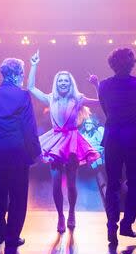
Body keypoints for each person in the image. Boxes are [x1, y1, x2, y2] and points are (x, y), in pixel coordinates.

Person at [27, 51, 100, 232]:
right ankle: (60, 215)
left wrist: (97, 84)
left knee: (72, 183)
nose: (63, 83)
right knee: (56, 182)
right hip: (55, 141)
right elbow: (31, 88)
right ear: (56, 83)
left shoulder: (78, 98)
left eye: (66, 81)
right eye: (60, 81)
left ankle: (72, 212)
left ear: (71, 83)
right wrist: (34, 65)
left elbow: (101, 102)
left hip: (72, 142)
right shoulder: (50, 97)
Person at [0, 58, 41, 254]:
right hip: (17, 151)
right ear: (18, 73)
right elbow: (29, 127)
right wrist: (35, 152)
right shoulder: (23, 95)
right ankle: (12, 236)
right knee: (18, 196)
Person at [98, 48, 136, 245]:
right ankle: (127, 224)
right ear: (132, 63)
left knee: (112, 182)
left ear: (112, 64)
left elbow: (105, 109)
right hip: (133, 136)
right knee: (134, 181)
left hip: (113, 135)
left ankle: (112, 225)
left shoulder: (104, 85)